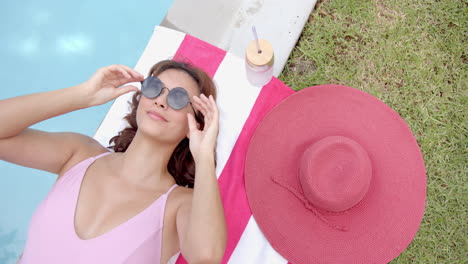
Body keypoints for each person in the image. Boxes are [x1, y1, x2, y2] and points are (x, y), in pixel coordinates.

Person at [0, 60, 227, 264]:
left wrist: (204, 153)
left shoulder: (180, 204)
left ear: (195, 125)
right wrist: (82, 95)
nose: (160, 101)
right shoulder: (79, 154)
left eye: (178, 98)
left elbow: (206, 256)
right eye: (154, 88)